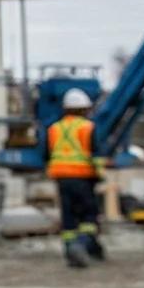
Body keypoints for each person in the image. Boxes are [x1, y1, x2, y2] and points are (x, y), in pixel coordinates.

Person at [48, 89, 107, 268]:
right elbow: (95, 154)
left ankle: (70, 250)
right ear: (84, 109)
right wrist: (100, 173)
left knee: (68, 216)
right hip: (82, 177)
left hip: (61, 178)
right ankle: (81, 245)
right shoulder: (87, 127)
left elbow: (47, 154)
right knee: (89, 215)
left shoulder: (54, 128)